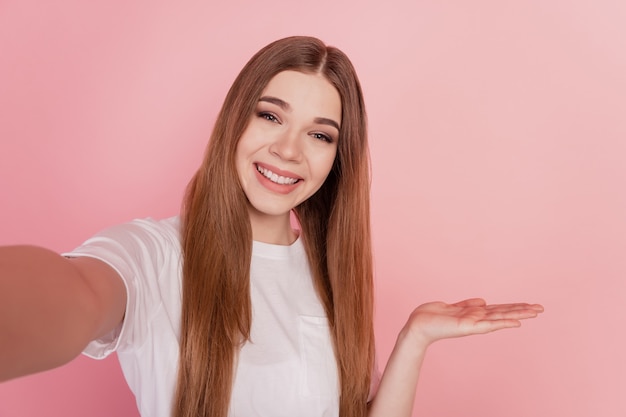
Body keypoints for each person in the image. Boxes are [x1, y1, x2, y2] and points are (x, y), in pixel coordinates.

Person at [0, 36, 543, 417]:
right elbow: (70, 294)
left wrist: (414, 340)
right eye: (270, 115)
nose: (287, 150)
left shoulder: (330, 277)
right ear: (235, 120)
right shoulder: (155, 254)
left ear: (337, 159)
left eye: (320, 135)